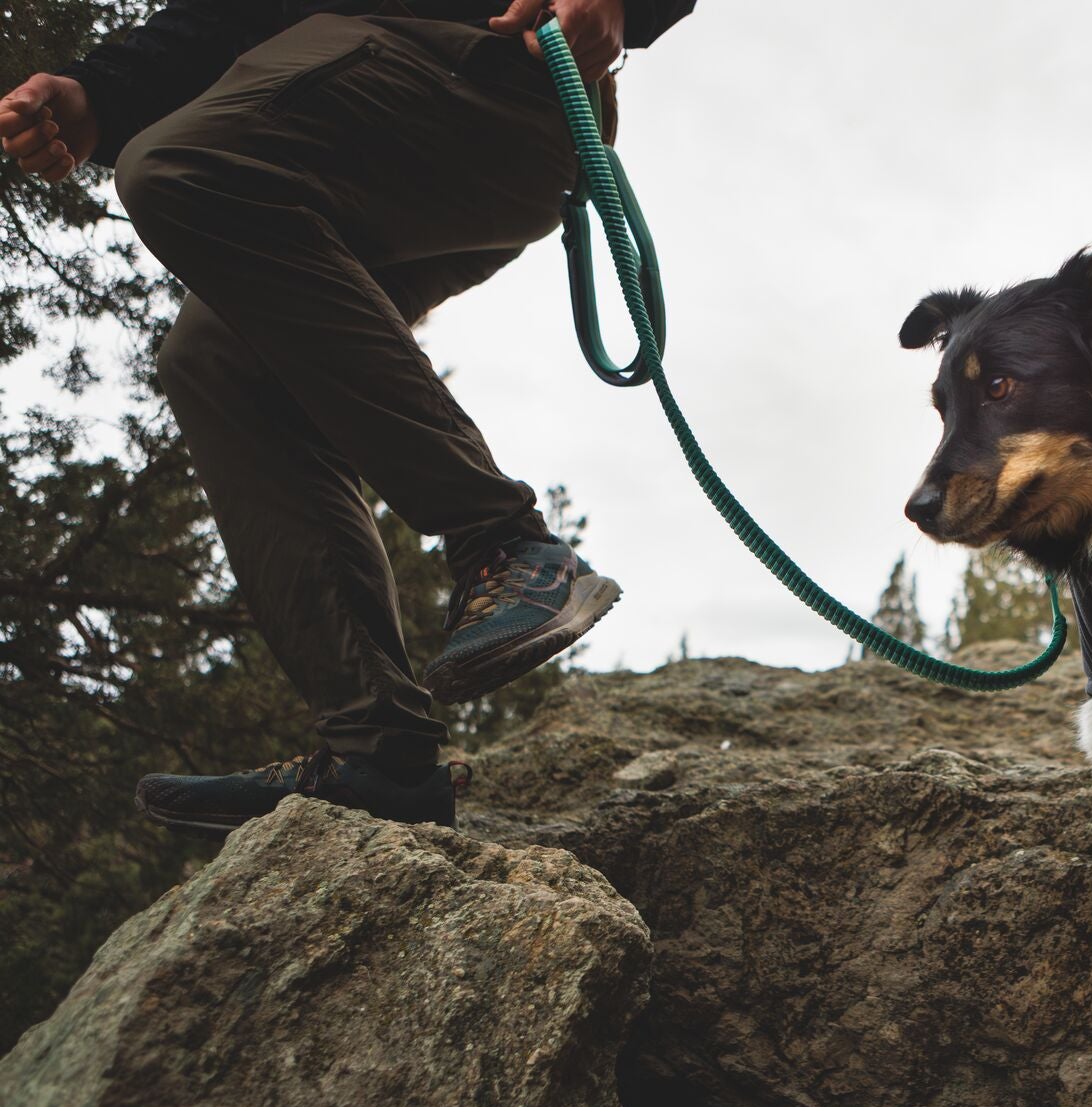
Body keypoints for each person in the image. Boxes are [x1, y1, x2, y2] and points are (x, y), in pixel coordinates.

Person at [0, 0, 695, 833]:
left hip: (487, 79)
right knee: (216, 356)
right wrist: (95, 93)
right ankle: (378, 750)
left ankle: (504, 541)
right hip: (399, 130)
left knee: (178, 167)